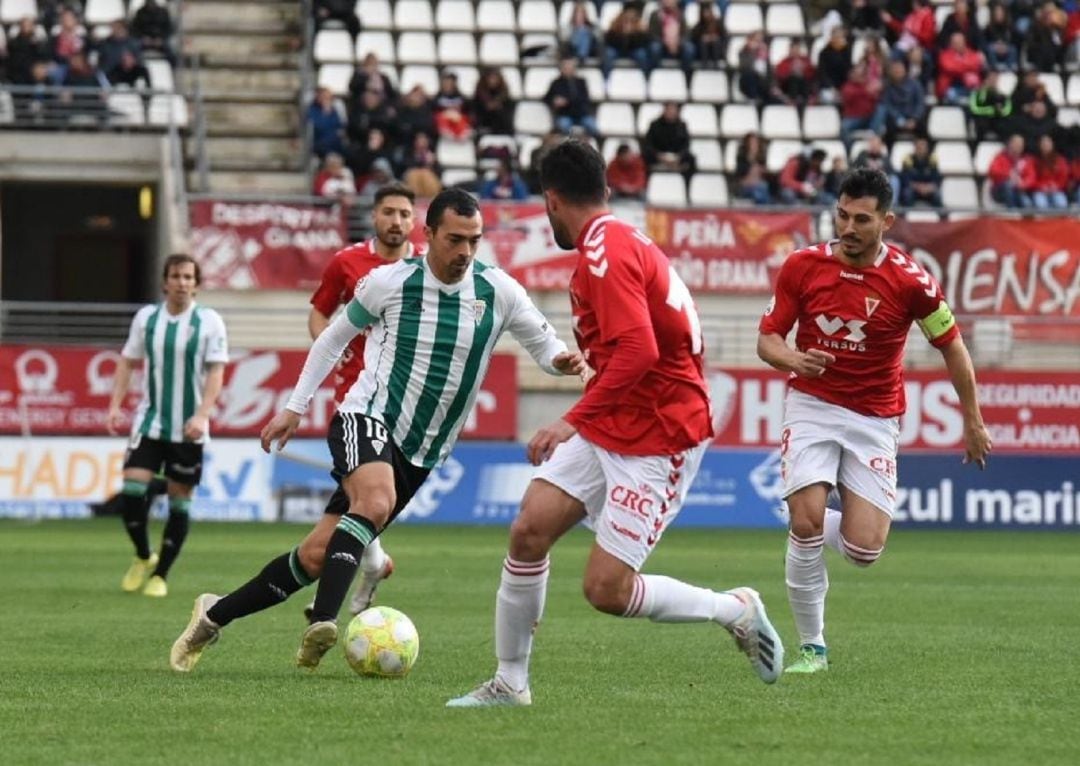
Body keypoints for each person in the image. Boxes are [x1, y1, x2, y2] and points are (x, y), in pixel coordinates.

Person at [170, 188, 585, 673]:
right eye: (455, 239)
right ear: (427, 235)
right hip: (365, 415)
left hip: (422, 451)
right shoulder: (388, 282)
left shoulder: (500, 290)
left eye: (474, 240)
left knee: (316, 555)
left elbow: (546, 347)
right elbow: (332, 338)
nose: (465, 252)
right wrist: (295, 407)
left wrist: (563, 362)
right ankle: (322, 623)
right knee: (375, 500)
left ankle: (213, 615)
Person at [447, 140, 784, 708]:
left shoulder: (603, 251)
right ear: (603, 188)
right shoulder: (616, 239)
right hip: (620, 419)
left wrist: (568, 423)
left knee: (606, 590)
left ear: (551, 200)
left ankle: (736, 609)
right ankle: (510, 683)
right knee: (529, 531)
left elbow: (640, 351)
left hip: (661, 434)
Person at [757, 168, 992, 674]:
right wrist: (793, 361)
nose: (848, 227)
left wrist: (972, 420)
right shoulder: (802, 267)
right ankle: (812, 648)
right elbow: (769, 339)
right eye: (842, 214)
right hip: (813, 405)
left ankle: (815, 524)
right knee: (806, 521)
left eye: (862, 219)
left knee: (864, 551)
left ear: (887, 221)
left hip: (874, 416)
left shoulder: (912, 283)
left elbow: (952, 347)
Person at [298, 183, 418, 620]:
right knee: (362, 492)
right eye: (389, 212)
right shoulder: (347, 263)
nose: (397, 222)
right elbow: (319, 313)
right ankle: (369, 565)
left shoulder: (425, 268)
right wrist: (330, 346)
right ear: (374, 216)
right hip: (354, 394)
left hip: (402, 398)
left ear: (414, 220)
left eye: (405, 214)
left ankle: (370, 563)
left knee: (362, 496)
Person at [107, 254, 229, 598]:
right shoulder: (147, 318)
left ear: (197, 284)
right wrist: (115, 406)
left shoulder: (209, 322)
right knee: (132, 488)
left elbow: (216, 372)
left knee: (179, 499)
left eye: (188, 277)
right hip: (151, 421)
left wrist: (203, 414)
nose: (182, 282)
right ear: (164, 282)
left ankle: (161, 574)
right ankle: (144, 555)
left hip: (189, 427)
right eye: (175, 276)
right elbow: (128, 362)